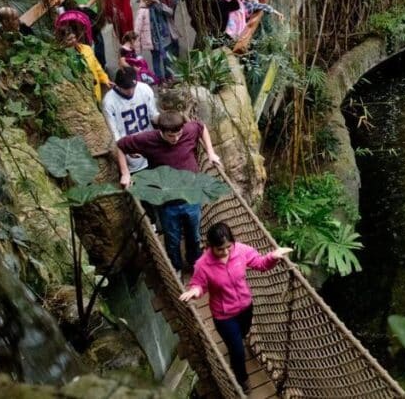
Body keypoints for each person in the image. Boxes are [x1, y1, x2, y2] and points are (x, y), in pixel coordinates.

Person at [179, 222, 292, 392]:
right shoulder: (203, 264)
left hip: (245, 306)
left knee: (244, 333)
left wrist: (273, 256)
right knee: (237, 350)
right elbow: (199, 284)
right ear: (211, 247)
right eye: (220, 249)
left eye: (228, 247)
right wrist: (195, 290)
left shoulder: (240, 250)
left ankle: (238, 346)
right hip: (224, 315)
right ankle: (242, 379)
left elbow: (259, 263)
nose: (225, 252)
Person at [115, 111, 223, 272]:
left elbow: (201, 127)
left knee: (194, 236)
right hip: (167, 204)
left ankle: (195, 263)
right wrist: (125, 172)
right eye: (170, 136)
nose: (176, 139)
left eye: (178, 134)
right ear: (161, 131)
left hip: (192, 198)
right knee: (172, 238)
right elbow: (120, 145)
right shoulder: (148, 139)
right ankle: (175, 267)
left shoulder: (188, 130)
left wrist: (210, 152)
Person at [103, 66, 160, 172]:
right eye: (126, 88)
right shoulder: (109, 102)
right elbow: (114, 133)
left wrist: (165, 120)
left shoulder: (145, 89)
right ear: (117, 85)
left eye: (132, 87)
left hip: (149, 141)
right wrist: (126, 149)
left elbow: (153, 115)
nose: (130, 91)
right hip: (131, 147)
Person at [56, 20, 110, 102]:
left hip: (96, 91)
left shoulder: (86, 49)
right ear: (62, 42)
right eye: (69, 39)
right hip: (84, 98)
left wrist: (105, 79)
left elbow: (97, 67)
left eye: (74, 37)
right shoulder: (63, 59)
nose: (74, 41)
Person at [134, 0, 178, 82]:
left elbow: (170, 12)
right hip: (153, 41)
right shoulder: (142, 11)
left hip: (164, 38)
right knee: (156, 59)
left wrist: (160, 4)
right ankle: (159, 78)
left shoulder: (160, 6)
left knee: (167, 58)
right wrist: (137, 45)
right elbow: (137, 28)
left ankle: (168, 75)